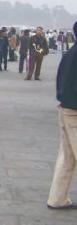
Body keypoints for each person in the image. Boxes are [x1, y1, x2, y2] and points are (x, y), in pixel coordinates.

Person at [48, 21, 77, 210]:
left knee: (67, 158)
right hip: (75, 111)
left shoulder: (70, 52)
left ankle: (57, 198)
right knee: (68, 157)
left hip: (66, 109)